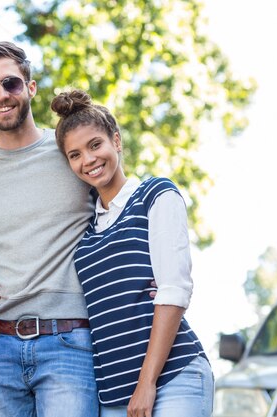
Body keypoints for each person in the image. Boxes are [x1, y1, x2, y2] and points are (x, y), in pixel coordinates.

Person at [0, 41, 99, 417]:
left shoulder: (71, 150)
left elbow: (119, 207)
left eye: (11, 84)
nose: (1, 95)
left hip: (70, 341)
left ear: (30, 88)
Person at [50, 88, 214, 417]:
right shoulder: (86, 233)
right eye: (75, 154)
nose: (89, 160)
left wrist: (146, 382)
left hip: (172, 379)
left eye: (95, 145)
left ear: (117, 141)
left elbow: (174, 291)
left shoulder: (156, 195)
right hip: (113, 394)